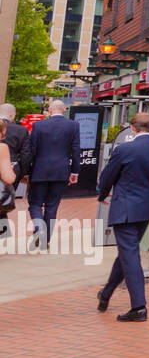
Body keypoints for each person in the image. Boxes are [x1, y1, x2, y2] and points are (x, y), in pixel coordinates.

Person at [96, 112, 149, 322]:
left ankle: (139, 306)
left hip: (125, 209)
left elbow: (107, 176)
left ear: (132, 128)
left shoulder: (124, 149)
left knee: (129, 255)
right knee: (127, 253)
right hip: (147, 208)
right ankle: (106, 294)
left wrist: (102, 195)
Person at [28, 99, 80, 250]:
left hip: (40, 170)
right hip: (61, 170)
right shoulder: (73, 126)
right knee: (52, 206)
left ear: (49, 110)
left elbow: (32, 150)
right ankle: (45, 239)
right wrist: (75, 171)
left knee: (35, 203)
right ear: (64, 110)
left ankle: (39, 230)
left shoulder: (38, 125)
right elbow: (76, 150)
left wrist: (27, 171)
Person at [0, 104, 32, 238]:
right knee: (2, 205)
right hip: (5, 173)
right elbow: (9, 177)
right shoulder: (3, 147)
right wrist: (20, 173)